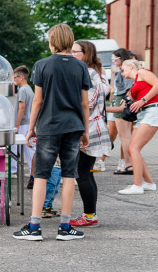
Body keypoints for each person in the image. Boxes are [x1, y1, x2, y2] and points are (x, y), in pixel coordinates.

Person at [13, 23, 90, 241]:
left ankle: (35, 227)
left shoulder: (42, 65)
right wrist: (85, 129)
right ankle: (65, 227)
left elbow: (38, 100)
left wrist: (30, 129)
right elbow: (85, 104)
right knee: (69, 176)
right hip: (73, 126)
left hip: (48, 126)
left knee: (41, 175)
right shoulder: (80, 67)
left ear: (52, 41)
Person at [69, 40, 111, 225]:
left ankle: (89, 216)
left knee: (82, 173)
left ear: (85, 54)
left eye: (74, 52)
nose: (71, 54)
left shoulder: (90, 74)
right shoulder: (94, 73)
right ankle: (90, 215)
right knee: (86, 172)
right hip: (92, 127)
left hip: (90, 129)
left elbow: (89, 102)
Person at [115, 58, 158, 195]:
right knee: (133, 149)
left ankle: (137, 185)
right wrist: (128, 100)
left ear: (130, 66)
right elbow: (130, 101)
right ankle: (149, 183)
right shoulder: (135, 83)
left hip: (152, 110)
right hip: (144, 113)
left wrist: (142, 100)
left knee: (133, 148)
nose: (121, 73)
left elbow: (157, 84)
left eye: (122, 70)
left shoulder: (142, 72)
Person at [110, 48, 137, 175]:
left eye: (115, 59)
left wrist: (125, 99)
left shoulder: (124, 70)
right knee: (127, 135)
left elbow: (129, 86)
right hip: (123, 99)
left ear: (121, 58)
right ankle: (130, 164)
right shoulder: (123, 69)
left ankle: (128, 164)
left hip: (121, 99)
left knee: (124, 136)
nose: (113, 61)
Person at [13, 66, 35, 176]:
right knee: (30, 148)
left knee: (19, 147)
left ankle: (13, 170)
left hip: (23, 123)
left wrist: (16, 124)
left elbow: (22, 107)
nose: (14, 80)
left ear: (21, 77)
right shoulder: (29, 89)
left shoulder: (22, 90)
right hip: (28, 121)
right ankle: (33, 171)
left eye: (15, 77)